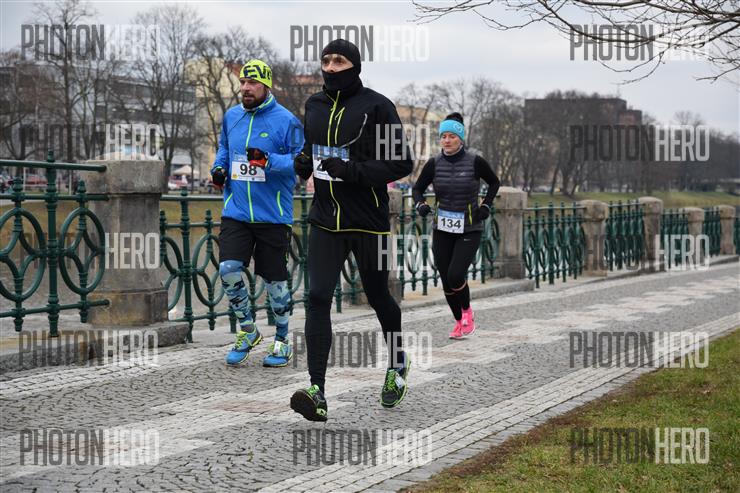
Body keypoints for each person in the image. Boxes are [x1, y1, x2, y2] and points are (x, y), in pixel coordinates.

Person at [290, 39, 413, 421]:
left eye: (339, 61)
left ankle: (397, 362)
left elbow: (402, 163)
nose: (330, 67)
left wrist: (353, 172)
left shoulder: (377, 106)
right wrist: (303, 163)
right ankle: (317, 390)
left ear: (355, 66)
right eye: (325, 60)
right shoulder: (314, 105)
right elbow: (312, 149)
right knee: (317, 297)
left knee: (378, 296)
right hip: (325, 218)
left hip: (369, 221)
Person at [211, 59, 304, 367]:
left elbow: (301, 164)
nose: (246, 88)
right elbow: (225, 148)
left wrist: (268, 161)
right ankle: (248, 330)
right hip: (236, 211)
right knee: (228, 268)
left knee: (275, 281)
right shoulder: (232, 116)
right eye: (242, 82)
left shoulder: (287, 121)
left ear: (266, 85)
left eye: (252, 83)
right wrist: (219, 168)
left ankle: (282, 339)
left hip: (272, 215)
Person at [411, 112, 501, 339]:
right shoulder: (434, 163)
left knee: (456, 274)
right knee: (445, 278)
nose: (447, 140)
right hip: (442, 228)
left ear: (460, 139)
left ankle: (467, 311)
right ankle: (459, 321)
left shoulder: (475, 161)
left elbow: (494, 182)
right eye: (443, 136)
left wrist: (486, 205)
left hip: (469, 228)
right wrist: (420, 204)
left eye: (452, 136)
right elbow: (417, 189)